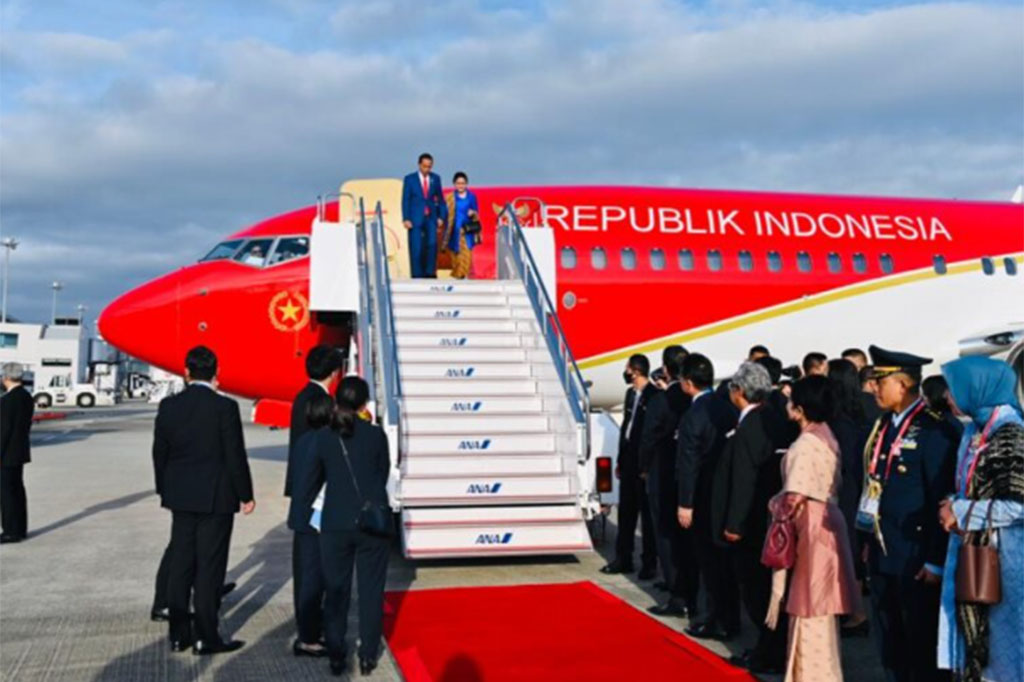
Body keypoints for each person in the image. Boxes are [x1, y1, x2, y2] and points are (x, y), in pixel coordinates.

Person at [861, 345, 960, 682]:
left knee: (921, 646)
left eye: (879, 380)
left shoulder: (935, 430)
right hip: (883, 549)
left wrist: (935, 559)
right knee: (890, 640)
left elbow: (942, 497)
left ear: (902, 385)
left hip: (916, 558)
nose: (873, 387)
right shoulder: (884, 425)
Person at [153, 346, 255, 655]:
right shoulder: (224, 407)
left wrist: (164, 489)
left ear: (186, 372)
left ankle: (178, 634)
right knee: (209, 568)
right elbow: (234, 455)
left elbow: (160, 452)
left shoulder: (169, 406)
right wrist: (245, 494)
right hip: (216, 498)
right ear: (216, 373)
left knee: (181, 563)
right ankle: (205, 636)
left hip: (180, 497)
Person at [765, 375, 861, 682]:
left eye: (792, 400)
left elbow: (793, 497)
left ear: (801, 409)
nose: (787, 404)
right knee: (821, 607)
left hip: (811, 527)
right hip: (829, 521)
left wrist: (774, 505)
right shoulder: (826, 434)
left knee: (809, 607)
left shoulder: (806, 444)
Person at [294, 376, 391, 677]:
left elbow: (310, 481)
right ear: (364, 404)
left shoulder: (323, 437)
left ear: (337, 401)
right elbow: (382, 472)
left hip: (335, 522)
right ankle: (368, 654)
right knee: (371, 590)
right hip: (371, 522)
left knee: (336, 590)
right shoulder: (376, 436)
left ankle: (336, 653)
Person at [937, 357, 1023, 682]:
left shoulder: (1011, 435)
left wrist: (959, 511)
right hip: (981, 555)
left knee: (1010, 652)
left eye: (953, 388)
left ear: (978, 388)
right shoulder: (975, 429)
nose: (948, 396)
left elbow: (1019, 506)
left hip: (1011, 565)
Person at [711, 362, 788, 673]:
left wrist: (733, 525)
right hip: (769, 521)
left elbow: (744, 481)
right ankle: (770, 648)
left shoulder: (750, 428)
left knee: (755, 592)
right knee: (765, 591)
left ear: (739, 392)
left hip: (752, 526)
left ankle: (769, 652)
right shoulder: (773, 419)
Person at [676, 353, 740, 640]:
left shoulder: (694, 415)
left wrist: (685, 503)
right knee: (725, 564)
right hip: (725, 494)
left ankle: (717, 619)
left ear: (688, 383)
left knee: (710, 564)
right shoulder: (727, 406)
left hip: (703, 497)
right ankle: (730, 618)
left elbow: (688, 463)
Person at [640, 345, 697, 617]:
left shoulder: (661, 401)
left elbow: (648, 438)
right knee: (688, 538)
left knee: (665, 534)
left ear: (665, 369)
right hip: (689, 475)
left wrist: (643, 467)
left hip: (662, 473)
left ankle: (678, 595)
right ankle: (693, 592)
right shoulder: (694, 400)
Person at [287, 391, 337, 658]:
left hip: (301, 517)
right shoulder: (326, 442)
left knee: (307, 577)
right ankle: (308, 638)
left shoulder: (305, 439)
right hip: (316, 519)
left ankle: (308, 632)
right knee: (315, 580)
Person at [601, 354, 658, 579]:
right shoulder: (630, 394)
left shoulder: (654, 396)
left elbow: (651, 435)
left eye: (627, 369)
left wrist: (647, 465)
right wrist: (619, 460)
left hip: (644, 465)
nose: (625, 373)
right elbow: (626, 427)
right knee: (626, 513)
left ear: (635, 371)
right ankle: (623, 558)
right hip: (628, 462)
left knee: (647, 517)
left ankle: (649, 563)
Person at [827, 358, 872, 637]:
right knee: (857, 546)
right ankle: (857, 609)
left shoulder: (835, 416)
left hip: (844, 486)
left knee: (845, 549)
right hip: (866, 486)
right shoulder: (869, 405)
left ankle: (854, 612)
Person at [1, 363, 34, 543]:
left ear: (5, 377)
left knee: (7, 494)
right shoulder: (26, 397)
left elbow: (3, 430)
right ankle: (20, 529)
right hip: (20, 450)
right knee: (18, 492)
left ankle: (10, 531)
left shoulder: (7, 400)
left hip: (6, 453)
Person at [401, 153, 447, 278]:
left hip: (431, 217)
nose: (427, 169)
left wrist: (441, 217)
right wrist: (406, 218)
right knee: (416, 246)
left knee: (432, 244)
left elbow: (441, 200)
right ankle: (417, 274)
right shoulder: (410, 179)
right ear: (419, 164)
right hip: (415, 217)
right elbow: (406, 199)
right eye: (425, 166)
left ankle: (429, 272)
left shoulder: (435, 179)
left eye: (429, 167)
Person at [440, 171, 480, 279]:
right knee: (455, 256)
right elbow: (444, 212)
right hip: (453, 230)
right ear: (454, 184)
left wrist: (473, 213)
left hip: (466, 230)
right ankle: (457, 276)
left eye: (462, 183)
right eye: (458, 183)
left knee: (466, 255)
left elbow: (476, 211)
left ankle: (462, 275)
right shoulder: (450, 198)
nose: (460, 185)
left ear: (466, 184)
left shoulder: (471, 197)